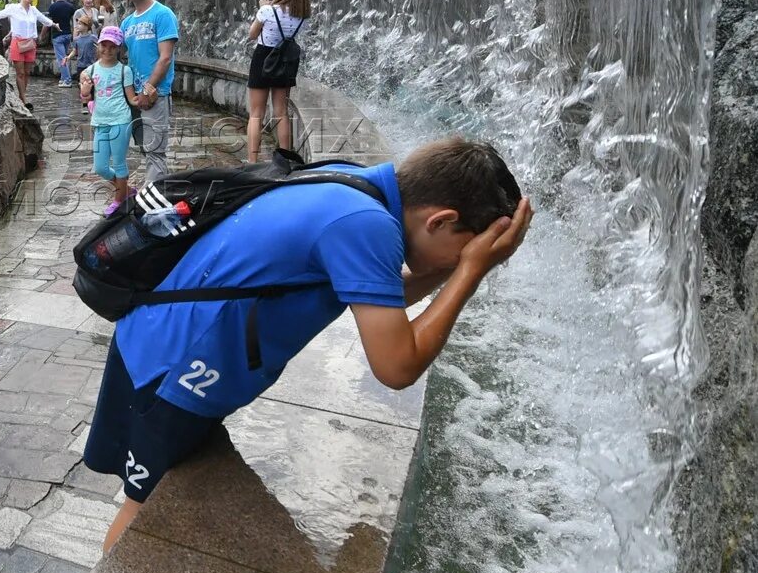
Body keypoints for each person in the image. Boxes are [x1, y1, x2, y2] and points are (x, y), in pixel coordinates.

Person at [84, 137, 531, 552]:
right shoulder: (366, 225)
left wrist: (461, 263)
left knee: (151, 501)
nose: (462, 261)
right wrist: (471, 273)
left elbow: (379, 300)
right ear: (442, 220)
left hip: (161, 338)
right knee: (145, 516)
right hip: (172, 370)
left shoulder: (354, 186)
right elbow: (396, 367)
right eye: (462, 250)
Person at [118, 0, 179, 185]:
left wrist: (147, 90)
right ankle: (163, 189)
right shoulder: (126, 23)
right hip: (133, 96)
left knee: (155, 151)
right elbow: (119, 58)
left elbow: (165, 58)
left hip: (155, 95)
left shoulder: (162, 15)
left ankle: (152, 201)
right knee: (146, 148)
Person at [246, 0, 312, 162]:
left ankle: (252, 161)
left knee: (256, 113)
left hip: (263, 59)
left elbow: (252, 34)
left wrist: (262, 7)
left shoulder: (267, 11)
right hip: (286, 60)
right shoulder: (303, 17)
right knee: (281, 112)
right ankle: (286, 159)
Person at [80, 26, 140, 215]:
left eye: (112, 46)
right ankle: (127, 190)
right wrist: (84, 92)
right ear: (98, 46)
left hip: (120, 120)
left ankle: (118, 200)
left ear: (119, 48)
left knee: (119, 163)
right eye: (104, 45)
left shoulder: (124, 71)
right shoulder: (90, 70)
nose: (107, 50)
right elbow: (84, 97)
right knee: (100, 167)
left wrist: (148, 96)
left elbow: (132, 98)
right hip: (99, 122)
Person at [0, 0, 51, 108]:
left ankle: (22, 95)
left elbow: (44, 20)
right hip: (17, 43)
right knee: (20, 73)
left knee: (27, 72)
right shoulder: (14, 8)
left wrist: (54, 24)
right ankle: (24, 99)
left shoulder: (33, 10)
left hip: (30, 44)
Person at [44, 0, 76, 87]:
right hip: (67, 34)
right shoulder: (70, 6)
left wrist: (42, 35)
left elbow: (47, 22)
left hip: (57, 35)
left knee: (61, 58)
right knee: (65, 57)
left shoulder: (52, 7)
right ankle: (63, 78)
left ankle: (67, 80)